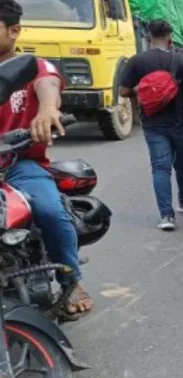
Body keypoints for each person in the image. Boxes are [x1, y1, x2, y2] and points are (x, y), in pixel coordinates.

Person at [0, 0, 93, 319]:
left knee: (51, 212)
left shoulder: (33, 66)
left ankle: (71, 280)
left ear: (14, 31)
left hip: (19, 164)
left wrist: (48, 109)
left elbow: (47, 82)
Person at [119, 20, 183, 231]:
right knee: (182, 164)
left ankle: (166, 216)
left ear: (148, 38)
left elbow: (123, 91)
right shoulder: (181, 60)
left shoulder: (137, 61)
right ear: (170, 38)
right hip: (181, 123)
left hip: (153, 124)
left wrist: (141, 89)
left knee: (160, 168)